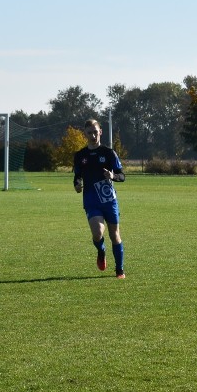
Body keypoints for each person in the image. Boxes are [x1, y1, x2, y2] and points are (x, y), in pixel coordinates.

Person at [73, 119, 126, 279]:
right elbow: (77, 177)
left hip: (108, 199)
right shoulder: (80, 155)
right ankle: (101, 251)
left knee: (114, 235)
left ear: (100, 131)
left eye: (95, 132)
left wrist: (113, 176)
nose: (93, 135)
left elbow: (122, 176)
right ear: (85, 134)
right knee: (97, 233)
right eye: (90, 132)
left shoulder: (109, 153)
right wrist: (77, 184)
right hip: (91, 199)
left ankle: (119, 270)